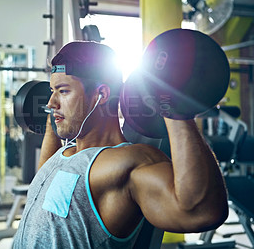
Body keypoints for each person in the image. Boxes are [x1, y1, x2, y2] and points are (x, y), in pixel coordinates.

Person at [12, 41, 228, 248]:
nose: (51, 103)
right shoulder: (65, 152)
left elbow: (202, 212)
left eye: (64, 91)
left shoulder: (128, 162)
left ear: (102, 94)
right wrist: (55, 118)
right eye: (52, 91)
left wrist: (172, 104)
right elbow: (46, 188)